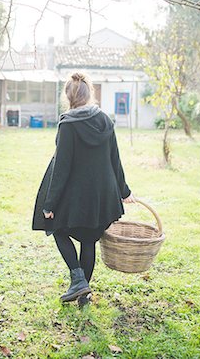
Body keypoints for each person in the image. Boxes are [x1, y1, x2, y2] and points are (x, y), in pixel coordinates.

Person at [32, 72, 135, 307]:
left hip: (76, 195)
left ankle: (78, 280)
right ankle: (83, 295)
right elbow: (115, 160)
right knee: (89, 241)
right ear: (90, 95)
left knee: (56, 228)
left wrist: (50, 204)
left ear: (67, 97)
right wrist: (124, 191)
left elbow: (61, 167)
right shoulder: (106, 120)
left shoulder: (68, 125)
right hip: (102, 196)